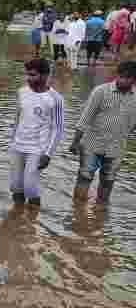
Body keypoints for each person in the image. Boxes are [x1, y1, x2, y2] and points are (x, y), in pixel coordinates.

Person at [69, 61, 136, 205]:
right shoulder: (101, 91)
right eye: (121, 76)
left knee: (108, 180)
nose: (123, 80)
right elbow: (85, 118)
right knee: (85, 176)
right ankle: (77, 210)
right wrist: (75, 142)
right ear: (116, 75)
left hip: (116, 147)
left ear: (134, 79)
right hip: (92, 144)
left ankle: (100, 212)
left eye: (128, 78)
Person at [8, 59, 65, 206]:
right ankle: (17, 217)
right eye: (26, 74)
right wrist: (12, 142)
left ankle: (32, 222)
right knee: (15, 186)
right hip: (18, 146)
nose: (28, 78)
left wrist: (48, 154)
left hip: (37, 149)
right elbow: (17, 118)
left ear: (45, 75)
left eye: (32, 75)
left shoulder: (55, 99)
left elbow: (58, 128)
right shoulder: (22, 92)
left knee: (30, 187)